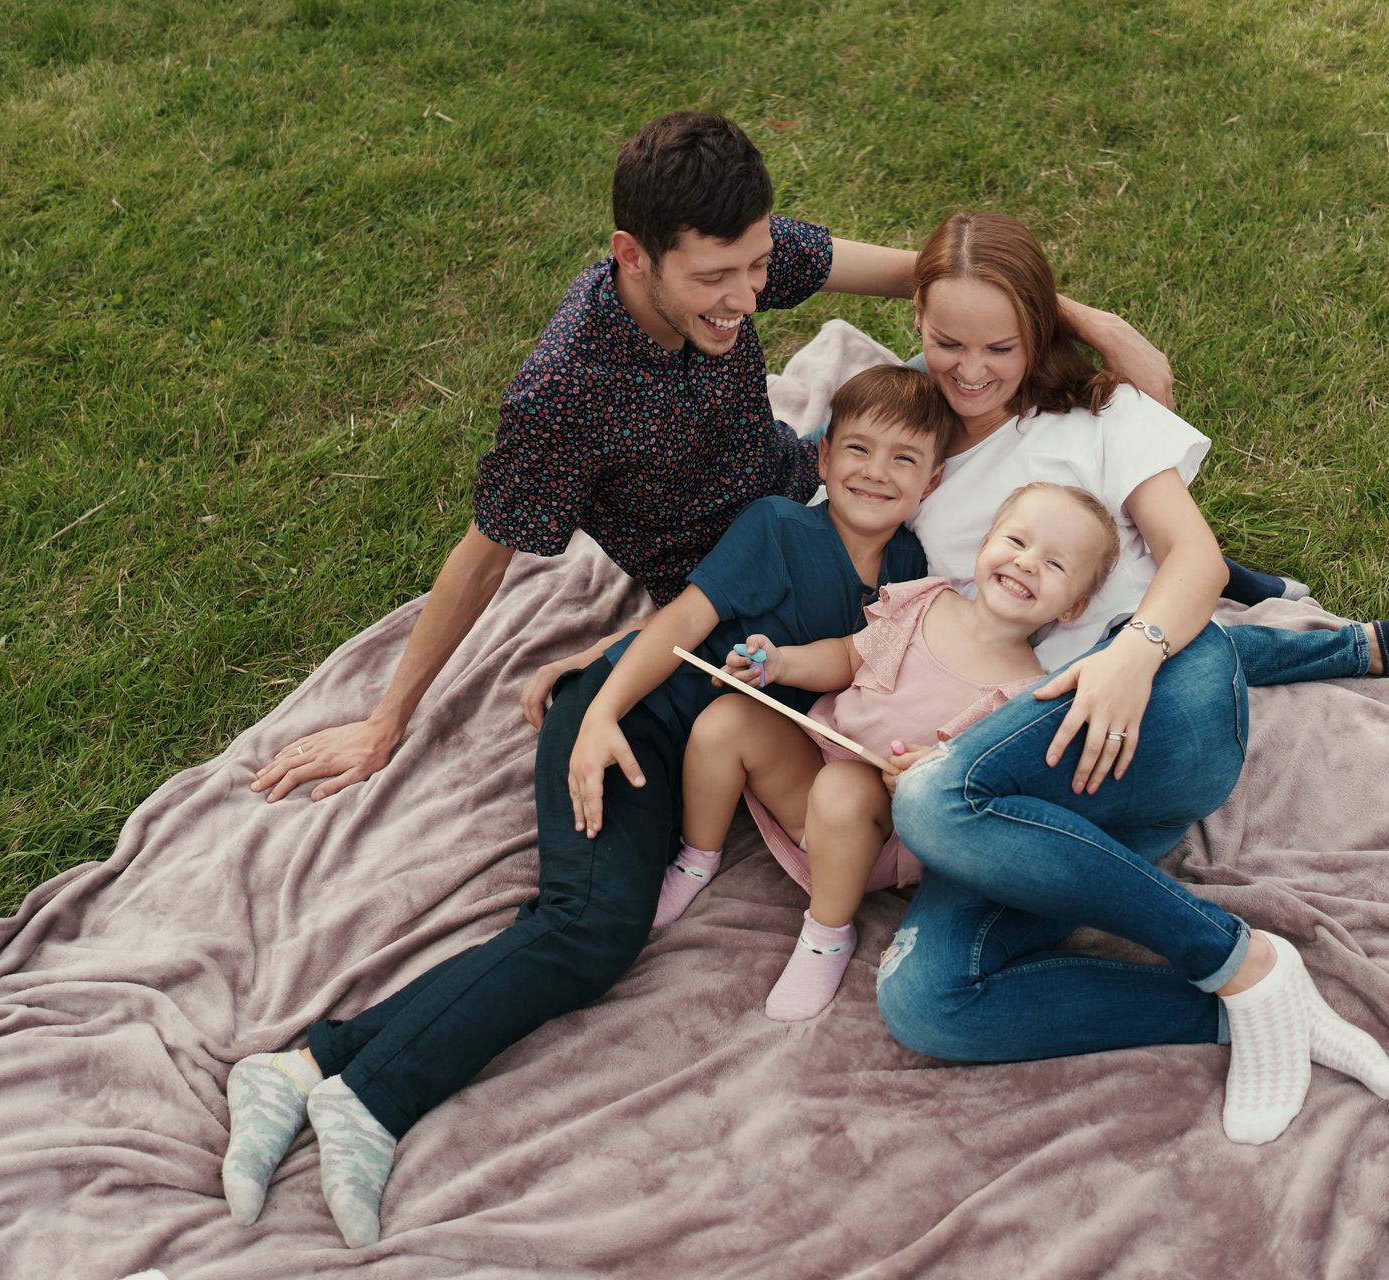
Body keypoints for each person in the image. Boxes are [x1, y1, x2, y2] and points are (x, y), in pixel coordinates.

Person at [247, 111, 1195, 809]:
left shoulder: (735, 261)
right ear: (633, 256)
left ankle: (1231, 589)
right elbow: (483, 555)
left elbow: (935, 272)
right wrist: (387, 720)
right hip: (743, 597)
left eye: (756, 269)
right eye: (718, 281)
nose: (748, 298)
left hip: (825, 511)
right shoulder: (565, 392)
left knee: (1081, 554)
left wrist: (1077, 314)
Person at [218, 365, 942, 1247]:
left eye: (904, 459)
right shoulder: (778, 527)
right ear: (821, 456)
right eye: (857, 450)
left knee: (567, 926)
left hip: (705, 766)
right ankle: (373, 1100)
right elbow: (680, 625)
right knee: (592, 930)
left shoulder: (907, 571)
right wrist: (598, 706)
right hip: (628, 726)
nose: (876, 472)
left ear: (932, 480)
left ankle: (304, 1068)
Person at [872, 212, 1389, 1145]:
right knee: (925, 1002)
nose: (970, 370)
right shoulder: (913, 464)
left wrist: (1130, 657)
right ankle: (1250, 1003)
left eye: (1001, 344)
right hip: (1046, 775)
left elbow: (1196, 561)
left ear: (1039, 331)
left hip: (1163, 698)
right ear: (916, 327)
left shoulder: (1096, 415)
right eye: (946, 343)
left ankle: (1242, 956)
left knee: (938, 802)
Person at [662, 477, 1124, 1022]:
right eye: (1017, 542)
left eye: (1055, 565)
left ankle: (827, 934)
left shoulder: (1025, 698)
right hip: (809, 779)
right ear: (985, 545)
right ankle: (696, 858)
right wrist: (782, 664)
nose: (1026, 563)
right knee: (725, 719)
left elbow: (986, 793)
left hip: (877, 830)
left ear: (1073, 608)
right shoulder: (924, 602)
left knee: (844, 787)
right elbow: (847, 658)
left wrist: (933, 773)